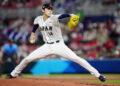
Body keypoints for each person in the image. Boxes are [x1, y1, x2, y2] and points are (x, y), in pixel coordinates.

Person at [7, 3, 106, 82]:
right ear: (43, 10)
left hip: (59, 45)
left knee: (77, 59)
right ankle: (13, 74)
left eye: (51, 9)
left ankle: (98, 75)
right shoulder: (38, 19)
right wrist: (33, 33)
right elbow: (35, 25)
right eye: (48, 9)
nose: (50, 10)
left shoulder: (53, 17)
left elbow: (62, 16)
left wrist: (70, 15)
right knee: (27, 59)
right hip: (46, 46)